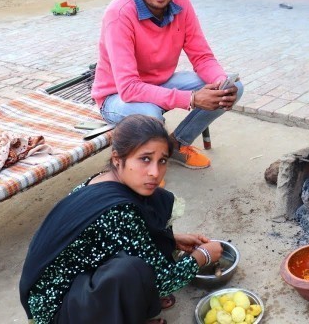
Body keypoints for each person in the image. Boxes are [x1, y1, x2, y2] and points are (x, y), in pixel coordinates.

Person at [19, 115, 223, 324]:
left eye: (162, 160)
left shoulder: (104, 179)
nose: (155, 172)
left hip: (81, 281)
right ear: (118, 159)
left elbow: (112, 241)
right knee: (130, 271)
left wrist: (173, 239)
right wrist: (203, 256)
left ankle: (129, 311)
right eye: (145, 159)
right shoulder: (117, 210)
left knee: (155, 208)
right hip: (59, 309)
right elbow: (163, 281)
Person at [91, 0, 243, 170]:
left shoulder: (182, 3)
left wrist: (221, 82)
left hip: (160, 83)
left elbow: (202, 56)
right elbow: (128, 88)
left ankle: (177, 144)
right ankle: (140, 170)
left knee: (230, 89)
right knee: (151, 117)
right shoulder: (119, 14)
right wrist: (190, 99)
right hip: (116, 96)